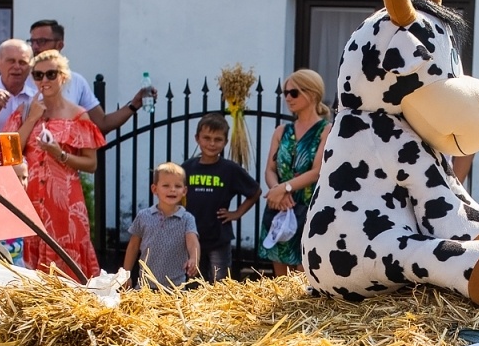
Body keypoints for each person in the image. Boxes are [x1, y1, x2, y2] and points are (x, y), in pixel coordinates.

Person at [17, 50, 104, 278]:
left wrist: (59, 154)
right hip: (33, 198)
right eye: (38, 75)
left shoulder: (78, 116)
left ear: (63, 77)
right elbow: (12, 150)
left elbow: (91, 163)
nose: (44, 80)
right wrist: (33, 118)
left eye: (51, 74)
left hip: (65, 202)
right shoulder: (27, 109)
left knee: (69, 265)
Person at [257, 69, 330, 276]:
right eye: (285, 93)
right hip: (280, 207)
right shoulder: (281, 131)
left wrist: (284, 188)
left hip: (308, 208)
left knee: (302, 276)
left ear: (313, 94)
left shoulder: (326, 130)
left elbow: (317, 171)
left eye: (294, 93)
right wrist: (277, 191)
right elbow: (270, 170)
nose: (288, 97)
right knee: (281, 280)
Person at [26, 19, 153, 134]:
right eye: (32, 42)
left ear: (59, 45)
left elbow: (102, 123)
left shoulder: (75, 81)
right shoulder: (22, 78)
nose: (35, 47)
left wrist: (134, 105)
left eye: (41, 41)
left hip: (65, 158)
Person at [182, 114, 260, 281]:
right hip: (192, 237)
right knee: (193, 282)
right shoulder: (187, 167)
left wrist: (237, 213)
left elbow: (255, 192)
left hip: (219, 236)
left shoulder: (229, 169)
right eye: (207, 138)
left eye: (218, 139)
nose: (211, 143)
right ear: (197, 138)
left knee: (220, 282)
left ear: (225, 142)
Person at [123, 163, 200, 288]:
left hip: (175, 289)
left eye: (178, 186)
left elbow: (192, 241)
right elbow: (133, 246)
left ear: (184, 191)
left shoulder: (187, 218)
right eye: (166, 185)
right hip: (145, 288)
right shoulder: (143, 216)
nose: (172, 189)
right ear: (154, 189)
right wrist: (125, 274)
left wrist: (194, 259)